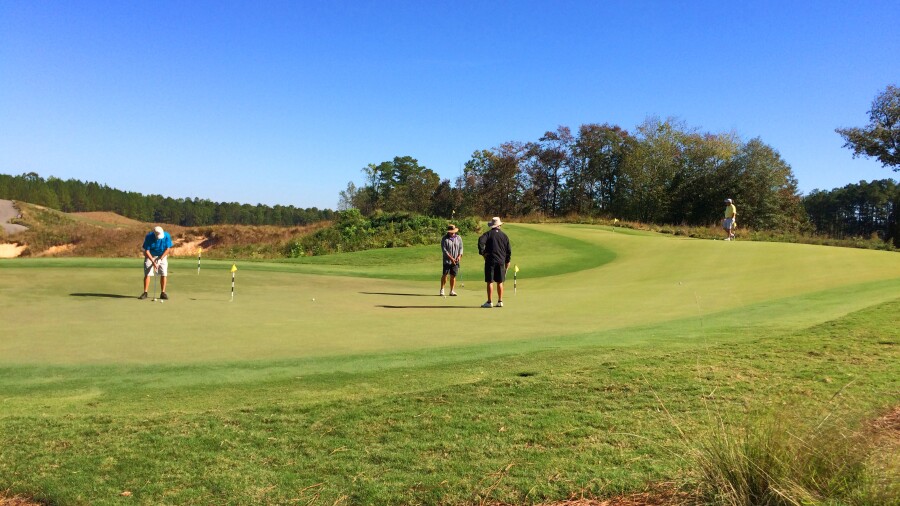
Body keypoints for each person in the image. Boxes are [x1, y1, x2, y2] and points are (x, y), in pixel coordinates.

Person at [477, 217, 511, 308]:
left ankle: (489, 302)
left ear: (492, 225)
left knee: (490, 281)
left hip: (490, 260)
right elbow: (508, 250)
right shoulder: (504, 236)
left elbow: (480, 241)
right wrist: (508, 261)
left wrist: (483, 253)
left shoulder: (488, 234)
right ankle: (500, 301)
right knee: (500, 282)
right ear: (499, 225)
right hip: (501, 261)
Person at [139, 226, 173, 299]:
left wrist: (160, 259)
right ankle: (145, 292)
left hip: (162, 255)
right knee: (147, 273)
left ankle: (163, 293)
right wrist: (153, 261)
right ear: (154, 234)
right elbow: (147, 251)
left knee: (164, 273)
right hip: (151, 255)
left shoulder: (166, 235)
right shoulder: (149, 237)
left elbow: (168, 249)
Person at [440, 224, 463, 296]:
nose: (453, 233)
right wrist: (451, 258)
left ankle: (452, 290)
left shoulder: (458, 238)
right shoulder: (444, 238)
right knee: (445, 275)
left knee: (453, 275)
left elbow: (461, 248)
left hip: (456, 260)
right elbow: (444, 250)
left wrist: (459, 256)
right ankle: (442, 289)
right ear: (448, 231)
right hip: (447, 260)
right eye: (451, 232)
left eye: (454, 231)